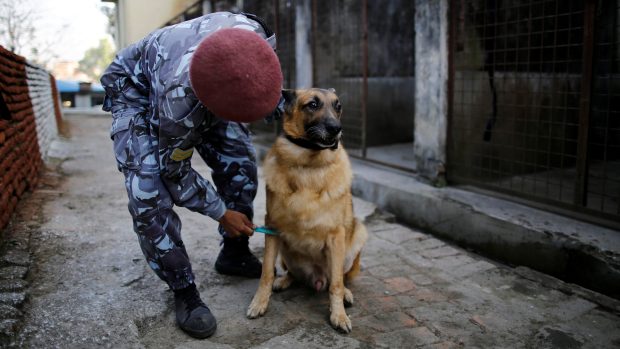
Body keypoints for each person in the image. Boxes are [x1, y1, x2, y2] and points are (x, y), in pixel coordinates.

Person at [100, 12, 282, 339]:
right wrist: (220, 212)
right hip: (136, 90)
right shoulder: (179, 108)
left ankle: (234, 253)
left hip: (207, 78)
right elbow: (176, 174)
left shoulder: (256, 36)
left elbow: (260, 83)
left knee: (239, 159)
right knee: (149, 193)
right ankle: (183, 289)